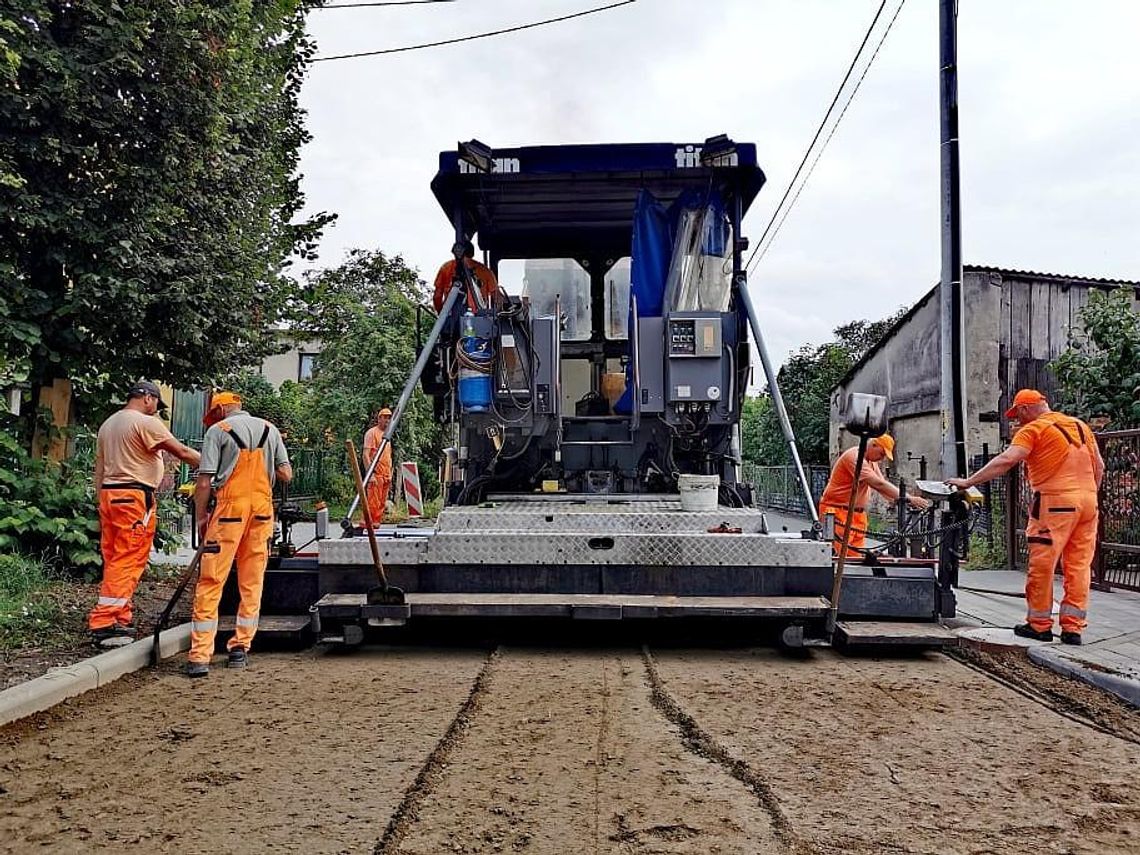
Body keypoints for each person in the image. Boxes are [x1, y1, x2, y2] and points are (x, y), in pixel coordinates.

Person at [948, 389, 1104, 645]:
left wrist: (968, 481)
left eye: (1016, 414)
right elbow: (1099, 467)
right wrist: (1088, 495)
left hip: (1054, 504)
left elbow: (1007, 459)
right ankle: (1073, 629)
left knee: (1042, 564)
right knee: (1078, 567)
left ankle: (1039, 625)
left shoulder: (1033, 430)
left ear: (1024, 409)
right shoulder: (1080, 426)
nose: (1017, 421)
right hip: (1088, 504)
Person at [186, 391, 292, 677]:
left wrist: (201, 518)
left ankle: (200, 656)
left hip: (230, 511)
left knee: (211, 580)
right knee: (252, 581)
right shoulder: (270, 430)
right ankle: (240, 647)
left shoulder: (217, 431)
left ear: (220, 411)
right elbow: (286, 474)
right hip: (261, 512)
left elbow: (205, 480)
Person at [89, 380, 201, 645]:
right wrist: (213, 464)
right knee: (128, 557)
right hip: (133, 497)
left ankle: (120, 615)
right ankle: (105, 621)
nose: (156, 411)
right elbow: (182, 451)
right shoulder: (145, 422)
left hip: (110, 496)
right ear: (147, 398)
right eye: (156, 405)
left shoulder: (109, 424)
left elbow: (100, 468)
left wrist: (100, 500)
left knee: (115, 556)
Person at [818, 434, 930, 556]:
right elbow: (878, 484)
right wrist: (909, 498)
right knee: (840, 558)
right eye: (881, 454)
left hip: (857, 515)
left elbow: (882, 487)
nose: (881, 459)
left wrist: (901, 502)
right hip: (838, 512)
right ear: (873, 445)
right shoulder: (855, 457)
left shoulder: (871, 462)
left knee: (854, 558)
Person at [432, 239, 503, 313]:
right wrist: (492, 314)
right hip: (479, 319)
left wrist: (442, 315)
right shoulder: (485, 271)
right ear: (472, 253)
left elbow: (437, 296)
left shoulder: (446, 268)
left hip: (451, 316)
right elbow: (498, 299)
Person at [362, 408, 393, 525]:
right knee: (373, 502)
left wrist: (390, 472)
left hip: (386, 474)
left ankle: (375, 524)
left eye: (389, 418)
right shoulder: (372, 433)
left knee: (381, 502)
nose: (387, 420)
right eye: (385, 417)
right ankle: (368, 525)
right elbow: (365, 455)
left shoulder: (387, 435)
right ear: (379, 418)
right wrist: (370, 474)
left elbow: (387, 455)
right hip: (376, 473)